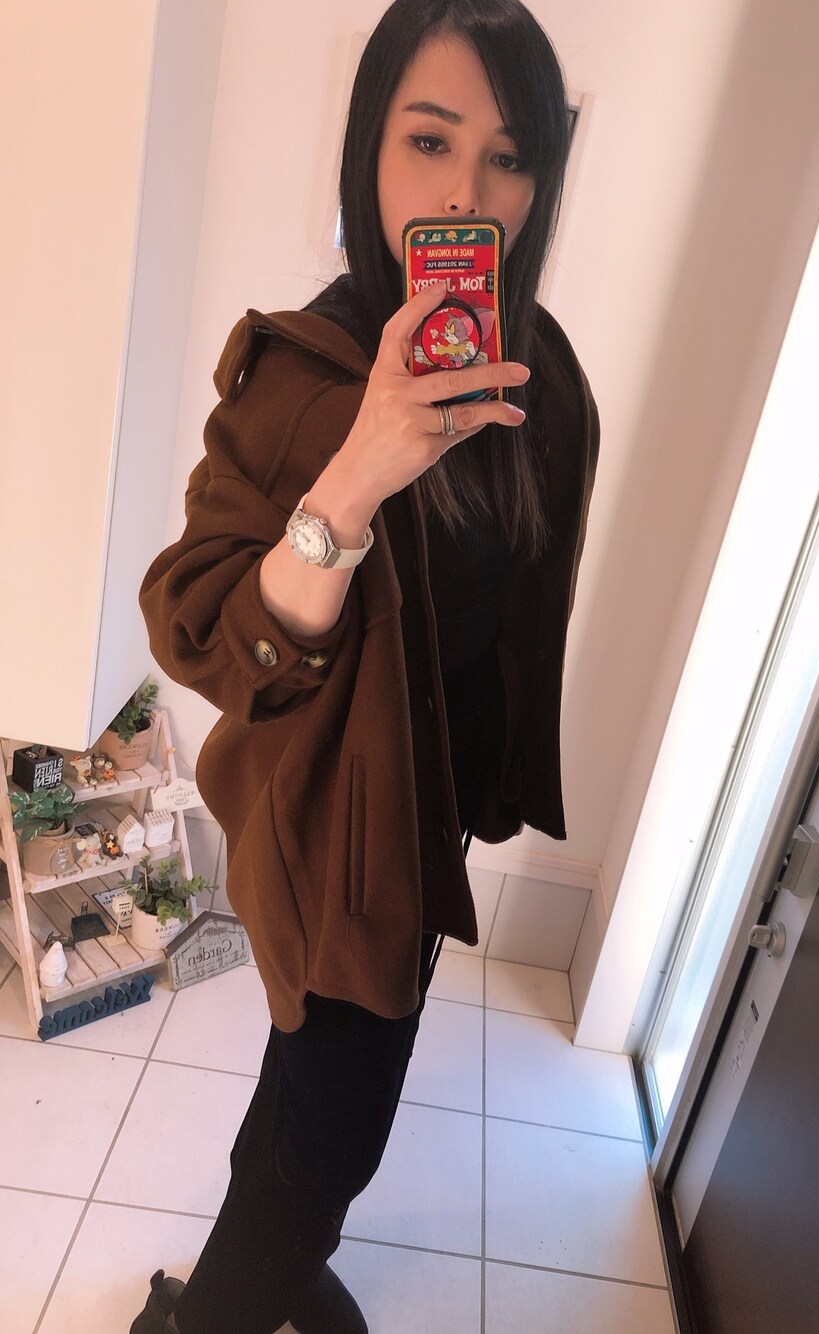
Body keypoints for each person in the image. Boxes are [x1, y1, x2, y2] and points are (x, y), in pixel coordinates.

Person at [131, 0, 598, 1330]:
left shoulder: (533, 367)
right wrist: (358, 476)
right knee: (329, 1134)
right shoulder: (300, 378)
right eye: (430, 141)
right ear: (368, 148)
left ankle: (267, 1266)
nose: (467, 196)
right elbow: (197, 625)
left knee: (314, 1101)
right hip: (333, 837)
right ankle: (222, 1310)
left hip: (428, 821)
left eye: (509, 158)